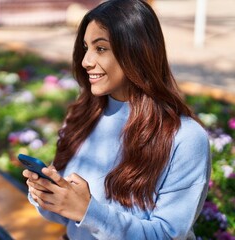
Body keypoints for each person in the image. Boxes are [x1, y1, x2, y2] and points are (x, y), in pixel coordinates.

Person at [23, 0, 211, 239]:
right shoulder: (84, 116)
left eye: (100, 48)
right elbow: (66, 218)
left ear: (137, 51)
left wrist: (87, 210)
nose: (86, 61)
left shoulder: (185, 138)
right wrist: (49, 195)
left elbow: (166, 234)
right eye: (85, 48)